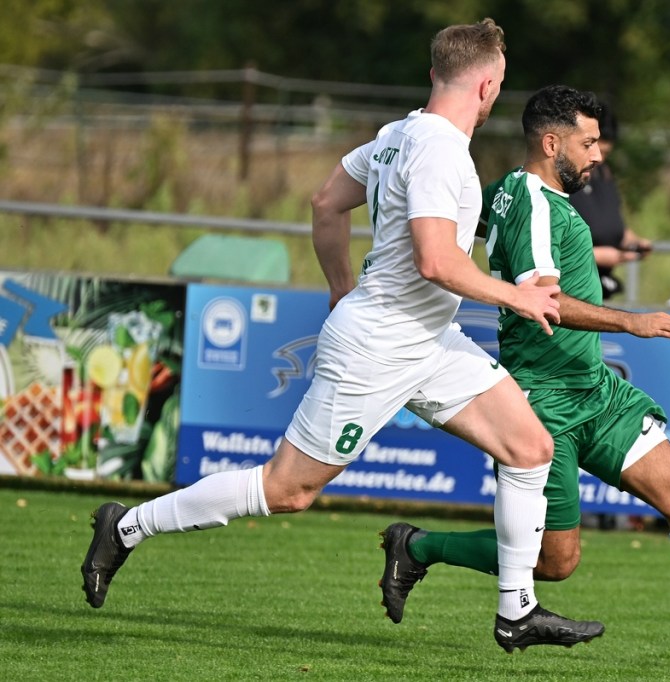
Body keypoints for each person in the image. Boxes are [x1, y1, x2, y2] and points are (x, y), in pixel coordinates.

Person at [81, 18, 604, 653]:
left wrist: (340, 287)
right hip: (380, 345)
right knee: (287, 489)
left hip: (428, 340)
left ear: (434, 73)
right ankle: (127, 526)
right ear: (488, 86)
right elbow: (436, 260)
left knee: (529, 448)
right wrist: (515, 295)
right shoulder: (439, 150)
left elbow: (326, 201)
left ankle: (516, 610)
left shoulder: (396, 135)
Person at [378, 84, 670, 671]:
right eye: (587, 143)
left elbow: (469, 224)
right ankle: (418, 546)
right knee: (555, 562)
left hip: (595, 389)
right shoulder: (533, 201)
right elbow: (543, 300)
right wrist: (630, 321)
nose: (597, 154)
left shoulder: (511, 193)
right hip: (544, 402)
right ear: (551, 142)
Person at [567, 101, 652, 300]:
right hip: (568, 289)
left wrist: (633, 242)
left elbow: (612, 224)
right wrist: (595, 255)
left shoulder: (603, 174)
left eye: (606, 153)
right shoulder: (561, 180)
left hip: (597, 288)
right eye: (596, 150)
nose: (599, 159)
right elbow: (549, 246)